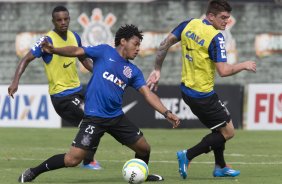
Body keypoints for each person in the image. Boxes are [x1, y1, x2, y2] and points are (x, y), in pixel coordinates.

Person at [18, 24, 181, 183]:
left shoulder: (133, 71)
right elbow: (76, 51)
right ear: (123, 41)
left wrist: (166, 113)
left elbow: (147, 94)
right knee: (72, 160)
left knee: (144, 148)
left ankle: (142, 174)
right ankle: (33, 171)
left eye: (139, 45)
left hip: (116, 118)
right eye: (136, 44)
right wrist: (54, 50)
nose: (138, 49)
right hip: (94, 119)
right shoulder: (104, 51)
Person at [147, 0, 256, 179]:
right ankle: (187, 155)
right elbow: (224, 71)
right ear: (210, 16)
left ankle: (220, 166)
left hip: (187, 90)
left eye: (228, 18)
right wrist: (244, 64)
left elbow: (164, 44)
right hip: (203, 95)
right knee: (228, 132)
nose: (226, 22)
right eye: (223, 17)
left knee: (219, 127)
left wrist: (157, 69)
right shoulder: (215, 37)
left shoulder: (189, 24)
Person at [8, 6, 101, 170]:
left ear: (69, 19)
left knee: (101, 120)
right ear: (53, 22)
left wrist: (100, 72)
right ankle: (82, 159)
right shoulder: (46, 41)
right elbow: (26, 59)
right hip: (62, 96)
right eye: (59, 20)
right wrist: (15, 81)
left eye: (66, 19)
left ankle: (88, 159)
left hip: (78, 90)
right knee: (93, 122)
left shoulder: (75, 37)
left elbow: (84, 60)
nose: (63, 22)